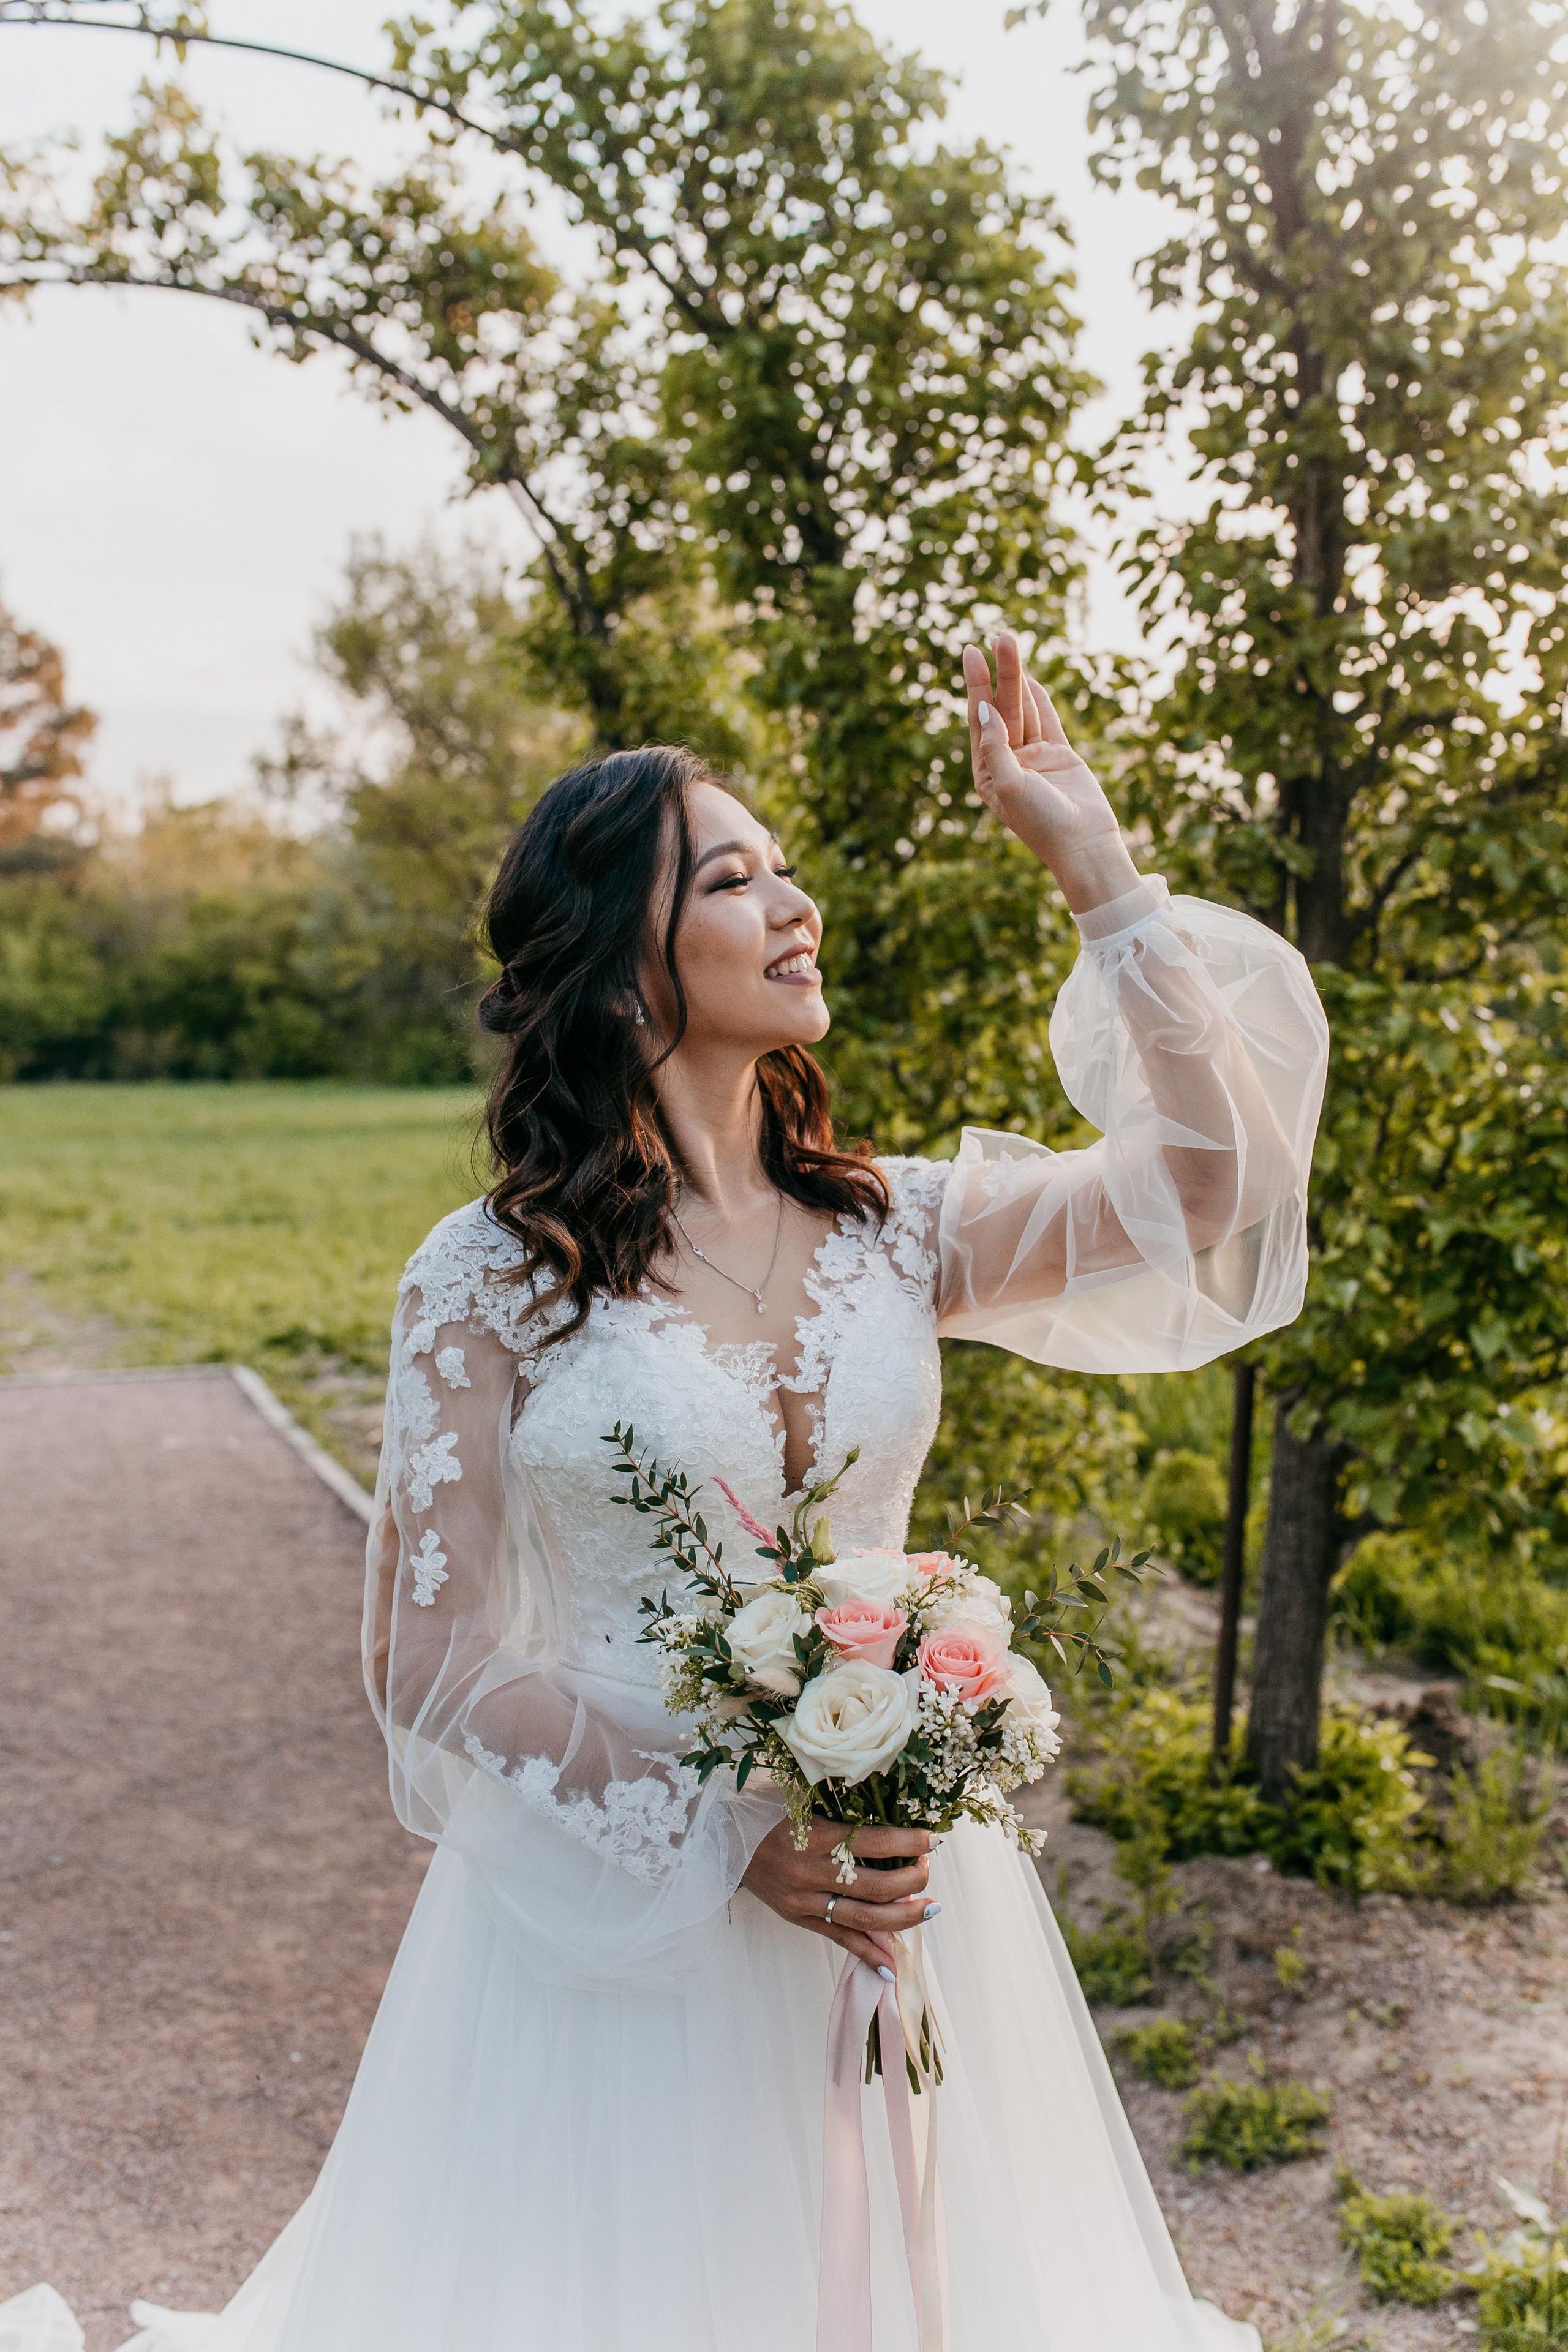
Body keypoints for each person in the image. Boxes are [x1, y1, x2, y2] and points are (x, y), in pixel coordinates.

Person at [10, 636, 1327, 2352]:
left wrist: (1095, 868)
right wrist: (723, 1836)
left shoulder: (897, 1227)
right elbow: (435, 1667)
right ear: (624, 966)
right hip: (612, 1918)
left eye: (787, 868)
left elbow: (1216, 1183)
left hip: (901, 1886)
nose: (796, 906)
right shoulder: (485, 1280)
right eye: (733, 876)